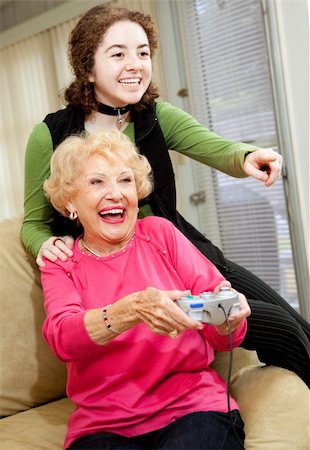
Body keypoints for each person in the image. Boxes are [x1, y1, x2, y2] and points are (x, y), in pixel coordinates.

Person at [21, 5, 310, 388]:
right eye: (118, 53)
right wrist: (48, 245)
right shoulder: (51, 135)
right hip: (123, 277)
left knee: (295, 325)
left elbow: (216, 147)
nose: (135, 64)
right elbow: (33, 224)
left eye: (143, 52)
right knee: (280, 329)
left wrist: (246, 156)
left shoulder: (156, 117)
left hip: (183, 255)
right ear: (88, 68)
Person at [41, 129, 250, 449]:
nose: (115, 193)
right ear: (70, 200)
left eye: (125, 180)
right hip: (103, 426)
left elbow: (222, 333)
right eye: (97, 182)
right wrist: (131, 309)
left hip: (193, 409)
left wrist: (228, 319)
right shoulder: (62, 262)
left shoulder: (161, 235)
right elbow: (63, 338)